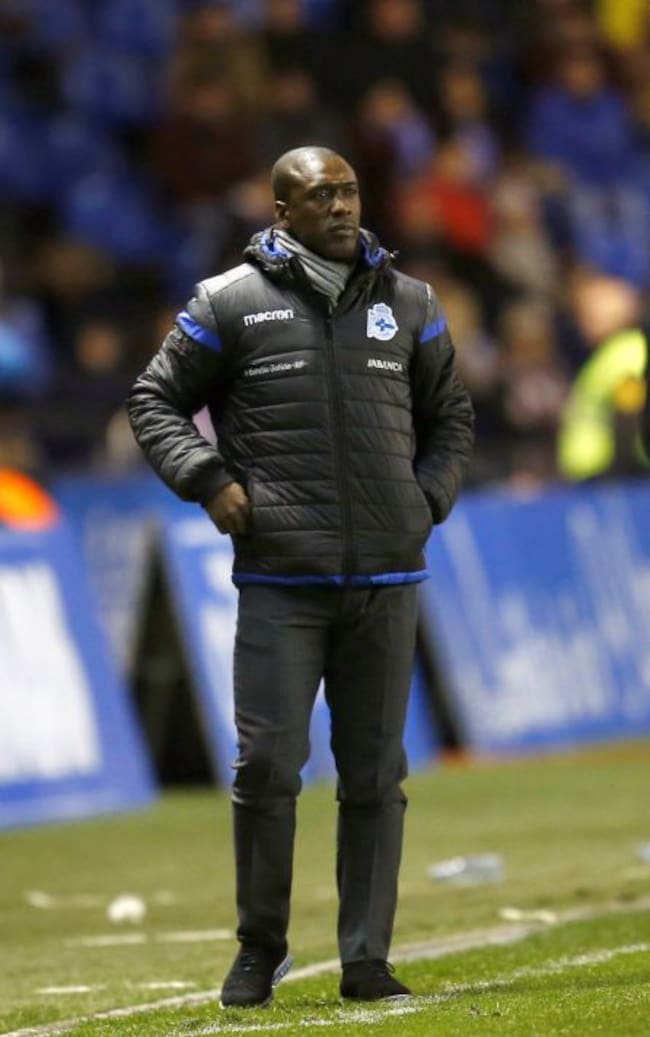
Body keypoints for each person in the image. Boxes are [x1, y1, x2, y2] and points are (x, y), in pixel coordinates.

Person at [127, 146, 474, 1007]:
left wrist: (424, 499)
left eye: (350, 190)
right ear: (281, 211)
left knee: (375, 776)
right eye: (320, 195)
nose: (342, 206)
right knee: (269, 766)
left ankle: (366, 957)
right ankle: (260, 948)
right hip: (282, 580)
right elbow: (153, 400)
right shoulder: (229, 304)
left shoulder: (411, 303)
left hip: (388, 578)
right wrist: (209, 481)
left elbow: (452, 416)